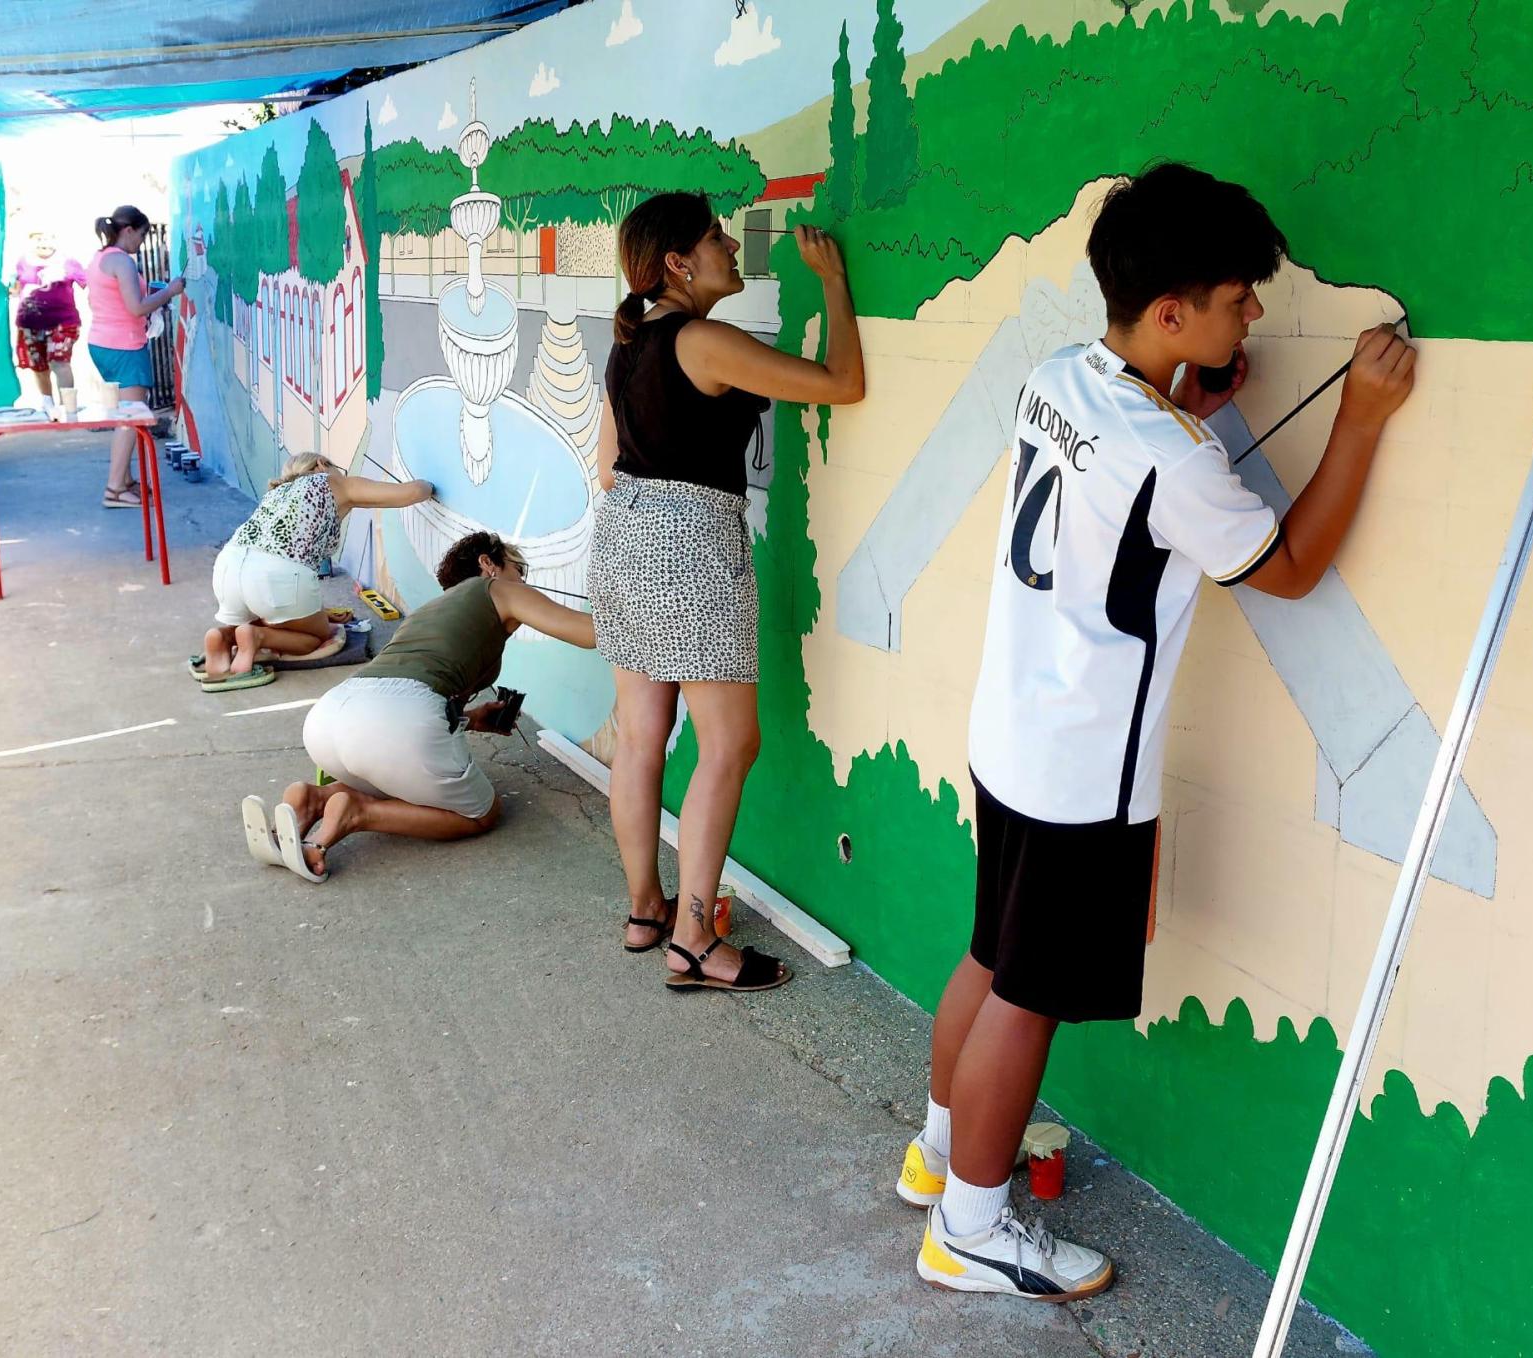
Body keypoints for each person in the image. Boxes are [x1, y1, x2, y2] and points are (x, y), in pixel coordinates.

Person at [903, 163, 1416, 1300]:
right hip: (1082, 769)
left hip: (1012, 733)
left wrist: (1191, 398)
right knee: (1027, 993)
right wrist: (1361, 422)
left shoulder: (1058, 375)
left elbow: (1121, 467)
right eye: (1237, 298)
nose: (1252, 317)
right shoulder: (1174, 457)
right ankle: (970, 1228)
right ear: (1172, 311)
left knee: (991, 956)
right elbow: (1286, 567)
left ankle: (938, 1154)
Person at [591, 191, 865, 992]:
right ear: (678, 263)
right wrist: (834, 283)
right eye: (715, 238)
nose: (731, 247)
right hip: (689, 544)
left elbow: (608, 461)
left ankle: (647, 911)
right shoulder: (703, 339)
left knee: (643, 737)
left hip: (626, 533)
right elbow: (842, 383)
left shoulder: (630, 341)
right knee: (730, 744)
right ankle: (695, 941)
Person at [246, 531, 598, 882]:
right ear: (488, 564)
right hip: (392, 723)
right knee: (481, 813)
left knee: (397, 778)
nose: (522, 581)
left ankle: (313, 800)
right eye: (517, 570)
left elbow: (417, 697)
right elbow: (589, 633)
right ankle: (355, 813)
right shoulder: (500, 589)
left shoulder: (432, 611)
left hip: (331, 717)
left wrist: (472, 719)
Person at [199, 453, 435, 691]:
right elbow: (413, 493)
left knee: (270, 614)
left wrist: (318, 613)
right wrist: (428, 485)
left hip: (228, 566)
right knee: (317, 638)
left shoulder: (278, 492)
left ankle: (224, 637)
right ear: (322, 465)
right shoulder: (333, 482)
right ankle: (256, 638)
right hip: (276, 575)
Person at [85, 205, 185, 508]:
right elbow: (137, 308)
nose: (140, 244)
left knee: (125, 415)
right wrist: (169, 292)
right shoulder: (122, 262)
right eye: (141, 237)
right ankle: (115, 489)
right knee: (131, 418)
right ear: (128, 231)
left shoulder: (101, 258)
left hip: (105, 342)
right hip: (125, 346)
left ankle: (124, 480)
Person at [8, 230, 87, 404]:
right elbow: (13, 289)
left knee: (60, 362)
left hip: (63, 322)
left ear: (56, 240)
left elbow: (88, 282)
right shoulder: (22, 262)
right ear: (30, 241)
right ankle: (48, 405)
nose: (44, 242)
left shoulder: (69, 262)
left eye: (48, 237)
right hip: (30, 322)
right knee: (39, 366)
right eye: (38, 238)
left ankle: (67, 407)